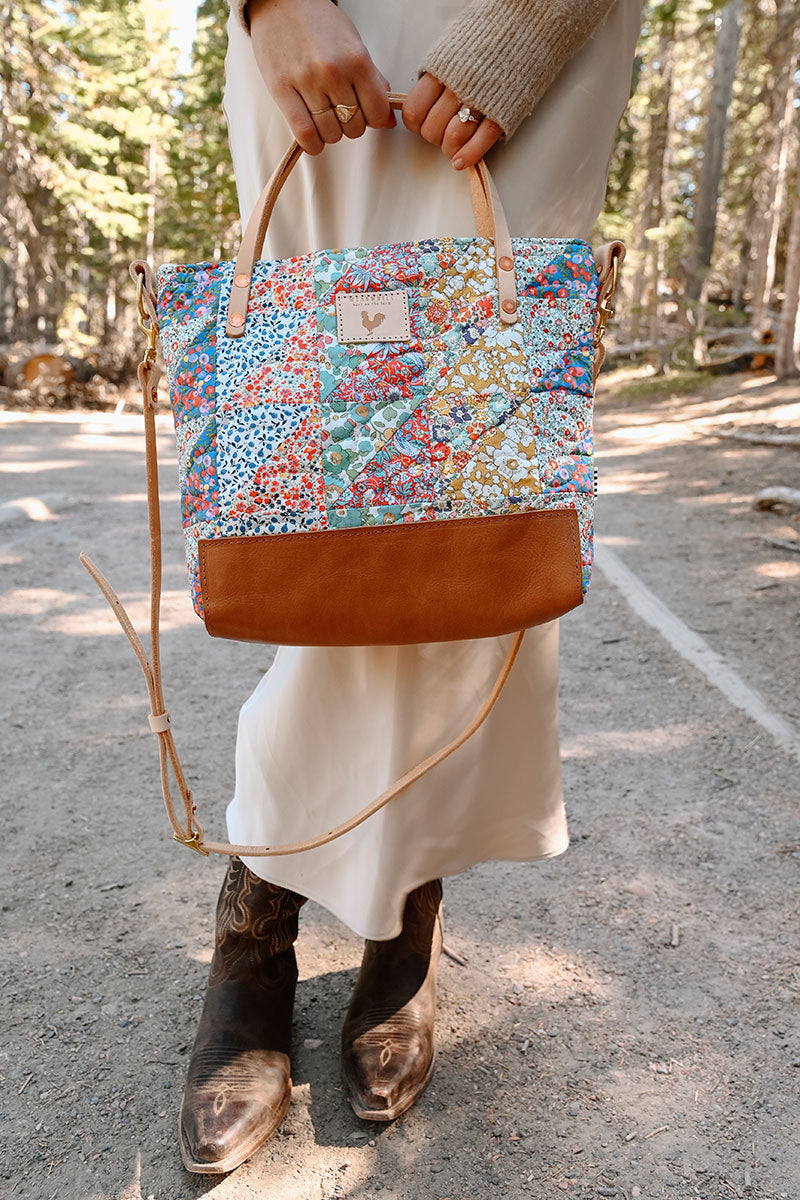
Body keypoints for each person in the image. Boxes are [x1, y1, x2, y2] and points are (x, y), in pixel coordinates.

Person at [178, 0, 643, 1175]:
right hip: (320, 23)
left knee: (475, 514)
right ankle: (259, 923)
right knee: (324, 495)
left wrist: (532, 26)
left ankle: (406, 910)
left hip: (539, 30)